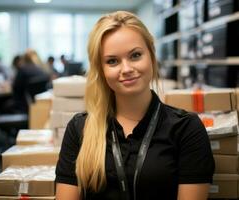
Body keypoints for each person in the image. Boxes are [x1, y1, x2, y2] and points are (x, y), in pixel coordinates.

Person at [55, 11, 214, 200]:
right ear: (101, 70)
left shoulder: (186, 128)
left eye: (135, 55)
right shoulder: (79, 128)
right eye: (112, 61)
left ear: (152, 56)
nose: (127, 69)